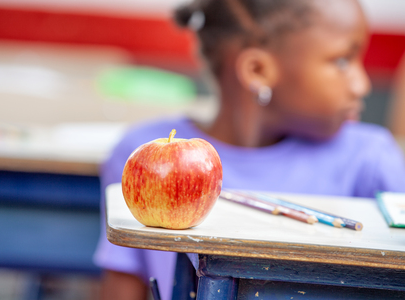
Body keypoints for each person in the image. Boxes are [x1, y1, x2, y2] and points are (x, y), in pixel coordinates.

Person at [94, 0, 405, 299]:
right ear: (257, 70)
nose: (361, 85)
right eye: (342, 61)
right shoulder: (141, 157)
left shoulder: (371, 158)